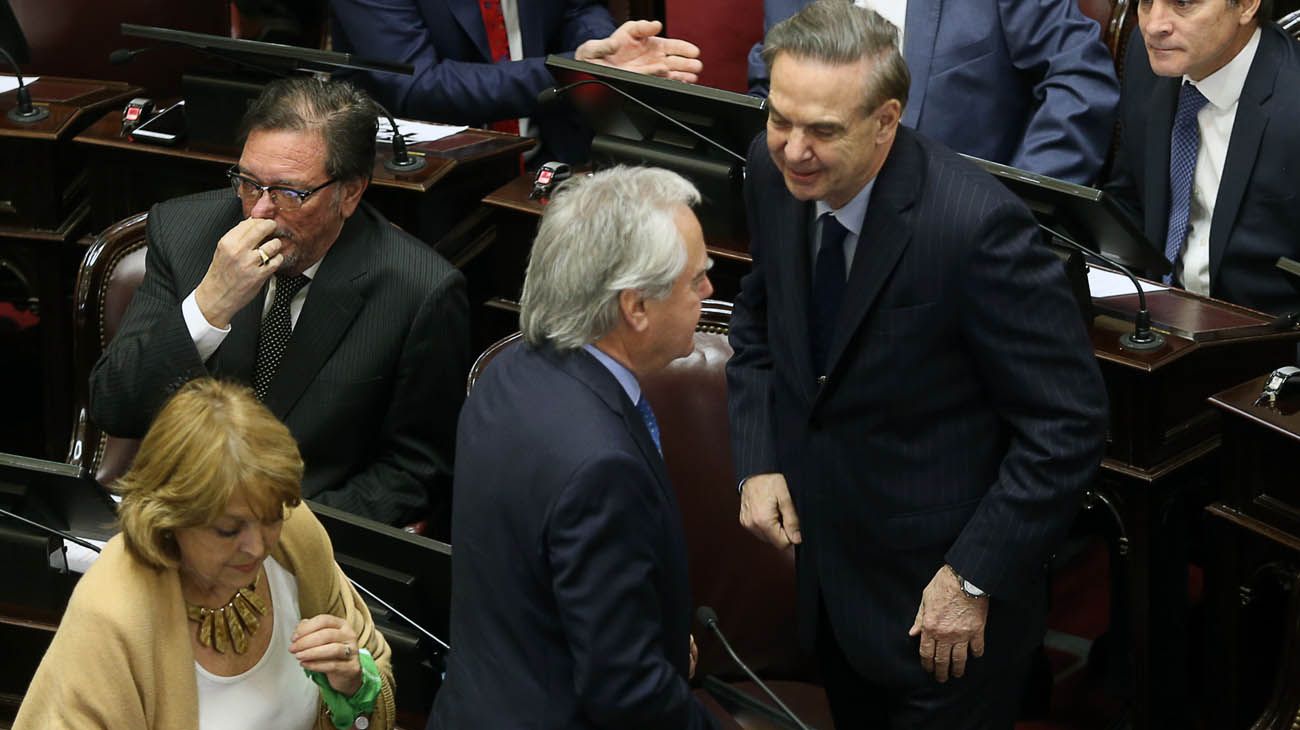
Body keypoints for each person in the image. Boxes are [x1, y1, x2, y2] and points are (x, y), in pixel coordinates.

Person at [727, 2, 1109, 727]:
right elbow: (757, 319)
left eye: (823, 131)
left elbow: (1067, 425)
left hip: (943, 614)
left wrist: (971, 577)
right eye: (780, 118)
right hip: (831, 589)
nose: (794, 150)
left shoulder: (975, 227)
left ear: (886, 119)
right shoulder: (767, 170)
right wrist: (756, 458)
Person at [88, 77, 469, 527]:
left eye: (290, 192)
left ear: (350, 192)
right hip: (174, 521)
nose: (258, 212)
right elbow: (114, 405)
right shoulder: (185, 234)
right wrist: (208, 307)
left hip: (307, 538)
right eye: (248, 183)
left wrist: (280, 534)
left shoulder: (419, 291)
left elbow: (414, 474)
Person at [429, 166, 719, 729]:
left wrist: (653, 631)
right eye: (696, 279)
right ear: (635, 307)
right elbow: (626, 691)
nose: (710, 291)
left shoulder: (505, 373)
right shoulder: (601, 467)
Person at [15, 379, 395, 730]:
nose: (258, 546)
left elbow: (371, 691)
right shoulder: (114, 612)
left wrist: (352, 688)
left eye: (271, 519)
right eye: (229, 530)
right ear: (169, 517)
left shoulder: (295, 536)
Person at [747, 0, 1120, 185]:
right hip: (813, 212)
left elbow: (1079, 80)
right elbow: (770, 82)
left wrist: (1014, 203)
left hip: (949, 228)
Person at [1105, 0, 1300, 315]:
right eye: (1145, 2)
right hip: (1151, 320)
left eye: (1182, 3)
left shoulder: (1292, 103)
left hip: (1263, 341)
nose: (1154, 26)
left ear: (1247, 5)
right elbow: (1128, 202)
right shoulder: (1148, 61)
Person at [330, 0, 703, 163]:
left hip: (554, 150)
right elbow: (417, 83)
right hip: (433, 171)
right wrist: (569, 67)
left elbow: (576, 8)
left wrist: (607, 49)